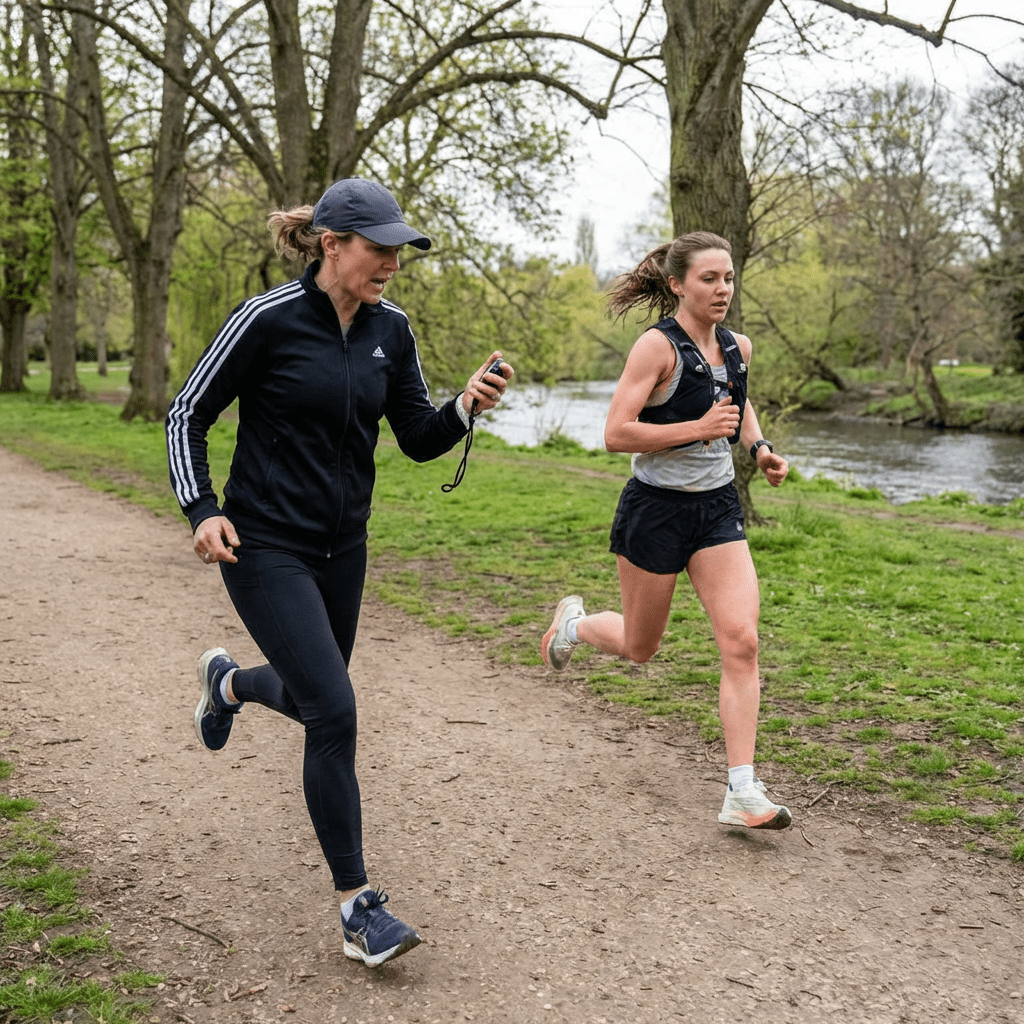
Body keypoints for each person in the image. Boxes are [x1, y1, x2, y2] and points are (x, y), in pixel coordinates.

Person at [166, 177, 512, 967]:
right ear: (332, 245)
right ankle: (358, 909)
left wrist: (464, 406)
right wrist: (203, 510)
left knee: (312, 695)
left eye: (399, 249)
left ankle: (226, 684)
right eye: (379, 248)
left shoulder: (393, 330)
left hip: (342, 548)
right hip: (263, 546)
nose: (393, 261)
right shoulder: (267, 319)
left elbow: (418, 437)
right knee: (335, 712)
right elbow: (188, 411)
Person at [541, 231, 792, 831]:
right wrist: (697, 426)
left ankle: (742, 789)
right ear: (678, 284)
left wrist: (758, 448)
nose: (723, 290)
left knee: (742, 640)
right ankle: (573, 623)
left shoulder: (739, 347)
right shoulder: (657, 349)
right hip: (654, 510)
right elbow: (616, 433)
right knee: (640, 648)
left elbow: (739, 403)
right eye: (709, 279)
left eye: (728, 278)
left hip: (715, 512)